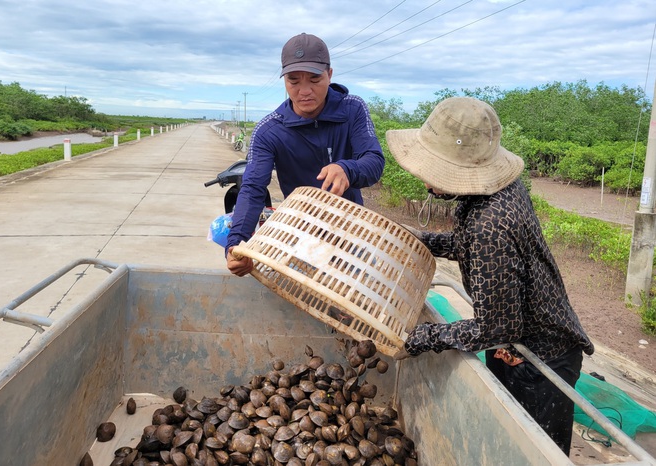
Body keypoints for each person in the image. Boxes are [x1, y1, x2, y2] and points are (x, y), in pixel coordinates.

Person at [385, 96, 594, 456]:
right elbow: (473, 248)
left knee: (531, 455)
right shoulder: (494, 193)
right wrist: (423, 240)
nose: (425, 182)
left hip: (540, 361)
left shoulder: (489, 223)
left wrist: (420, 338)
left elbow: (497, 329)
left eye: (432, 172)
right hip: (521, 346)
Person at [225, 33, 385, 276]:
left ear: (329, 75)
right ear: (285, 81)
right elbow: (253, 188)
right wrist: (236, 242)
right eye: (294, 81)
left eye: (314, 79)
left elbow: (374, 161)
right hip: (301, 235)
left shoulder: (352, 109)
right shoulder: (270, 131)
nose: (304, 91)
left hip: (352, 233)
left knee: (350, 299)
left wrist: (347, 169)